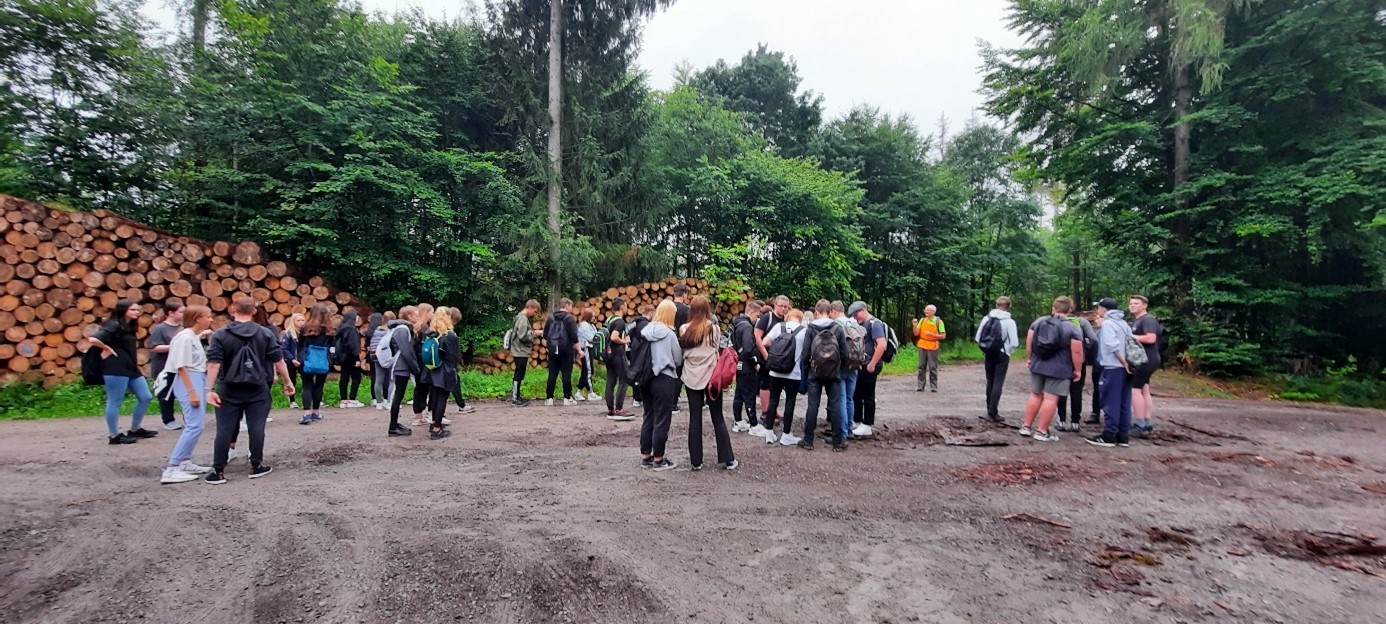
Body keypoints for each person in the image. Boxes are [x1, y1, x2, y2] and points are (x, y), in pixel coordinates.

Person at [204, 298, 294, 484]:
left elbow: (213, 364)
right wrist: (288, 381)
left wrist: (208, 389)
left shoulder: (220, 334)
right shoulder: (265, 333)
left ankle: (218, 471)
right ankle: (255, 466)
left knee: (224, 429)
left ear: (232, 310)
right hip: (257, 387)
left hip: (228, 388)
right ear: (254, 311)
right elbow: (278, 360)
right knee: (256, 427)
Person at [679, 296, 738, 470]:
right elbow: (716, 349)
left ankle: (696, 461)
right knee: (717, 417)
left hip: (691, 375)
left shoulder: (683, 329)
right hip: (712, 376)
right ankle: (728, 459)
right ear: (707, 310)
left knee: (694, 418)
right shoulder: (714, 329)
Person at [158, 305, 215, 484]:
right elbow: (181, 366)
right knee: (194, 425)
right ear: (198, 318)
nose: (211, 319)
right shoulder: (184, 337)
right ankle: (172, 468)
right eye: (208, 316)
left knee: (197, 424)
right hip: (188, 379)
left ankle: (184, 461)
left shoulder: (190, 336)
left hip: (195, 377)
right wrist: (192, 392)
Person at [88, 299, 158, 445]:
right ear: (123, 310)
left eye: (138, 310)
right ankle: (114, 436)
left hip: (130, 367)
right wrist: (106, 348)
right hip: (115, 367)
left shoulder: (129, 325)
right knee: (115, 401)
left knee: (145, 396)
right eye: (133, 310)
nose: (137, 313)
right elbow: (93, 339)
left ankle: (135, 429)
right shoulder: (114, 324)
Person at [1019, 297, 1085, 442]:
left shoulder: (1038, 322)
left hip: (1038, 364)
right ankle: (1041, 431)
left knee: (1035, 394)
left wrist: (1030, 358)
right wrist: (1078, 370)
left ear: (1053, 308)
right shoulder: (1072, 327)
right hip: (1059, 368)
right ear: (1069, 311)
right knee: (1051, 397)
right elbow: (1077, 351)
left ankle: (1026, 427)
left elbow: (1030, 340)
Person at [639, 300, 683, 471]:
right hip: (664, 377)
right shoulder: (669, 334)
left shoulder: (644, 330)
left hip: (645, 378)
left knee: (648, 415)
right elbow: (678, 359)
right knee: (662, 418)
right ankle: (659, 458)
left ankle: (645, 456)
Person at [800, 300, 849, 452]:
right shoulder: (838, 328)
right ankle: (838, 442)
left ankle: (808, 441)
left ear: (816, 311)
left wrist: (808, 369)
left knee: (813, 405)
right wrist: (839, 367)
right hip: (834, 372)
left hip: (814, 373)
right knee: (835, 406)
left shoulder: (810, 328)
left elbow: (805, 354)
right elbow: (845, 353)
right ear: (829, 311)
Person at [1089, 298, 1135, 448]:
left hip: (1113, 367)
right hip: (1126, 368)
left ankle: (1108, 434)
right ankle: (1123, 435)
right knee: (1124, 402)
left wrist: (1123, 362)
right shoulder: (1124, 324)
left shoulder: (1108, 324)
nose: (1098, 311)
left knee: (1110, 401)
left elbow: (1112, 345)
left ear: (1103, 309)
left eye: (1099, 308)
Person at [761, 308, 808, 446]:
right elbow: (807, 352)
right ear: (800, 318)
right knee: (790, 402)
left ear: (788, 316)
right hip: (793, 373)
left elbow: (765, 343)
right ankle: (786, 435)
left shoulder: (778, 326)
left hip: (775, 371)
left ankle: (769, 433)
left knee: (773, 400)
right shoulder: (803, 331)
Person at [975, 296, 1020, 423]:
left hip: (989, 353)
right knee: (998, 382)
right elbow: (1014, 342)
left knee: (990, 381)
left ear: (996, 305)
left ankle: (989, 408)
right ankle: (993, 412)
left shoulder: (986, 318)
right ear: (1009, 306)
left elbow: (978, 338)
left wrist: (987, 348)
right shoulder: (1010, 322)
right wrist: (1007, 351)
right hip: (1002, 354)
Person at [848, 301, 887, 438]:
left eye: (856, 313)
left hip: (870, 365)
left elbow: (882, 344)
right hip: (861, 364)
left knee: (868, 395)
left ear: (864, 310)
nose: (855, 317)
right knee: (857, 393)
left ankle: (867, 424)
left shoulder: (874, 324)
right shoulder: (861, 324)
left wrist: (872, 364)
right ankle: (857, 420)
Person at [1056, 310, 1098, 432]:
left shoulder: (1057, 322)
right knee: (1076, 391)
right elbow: (1094, 339)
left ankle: (1061, 420)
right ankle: (1075, 422)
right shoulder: (1082, 322)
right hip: (1079, 360)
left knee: (1061, 391)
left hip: (1061, 361)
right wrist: (1086, 352)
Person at [146, 300, 185, 430]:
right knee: (166, 394)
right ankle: (168, 420)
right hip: (164, 366)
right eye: (181, 312)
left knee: (184, 393)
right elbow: (153, 347)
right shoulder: (160, 328)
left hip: (180, 366)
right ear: (171, 313)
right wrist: (174, 346)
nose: (184, 314)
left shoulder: (183, 328)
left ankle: (189, 418)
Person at [1128, 295, 1164, 436]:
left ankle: (1140, 424)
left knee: (1134, 390)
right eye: (1131, 303)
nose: (1132, 306)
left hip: (1145, 360)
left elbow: (1151, 338)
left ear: (1144, 305)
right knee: (1144, 389)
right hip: (1146, 359)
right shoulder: (1137, 320)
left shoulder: (1148, 319)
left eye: (1136, 303)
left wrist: (1130, 337)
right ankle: (1146, 422)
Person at [424, 307, 459, 440]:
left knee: (435, 397)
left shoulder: (431, 333)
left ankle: (434, 424)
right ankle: (437, 429)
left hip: (432, 369)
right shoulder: (449, 335)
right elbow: (455, 355)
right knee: (441, 399)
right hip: (446, 370)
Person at [754, 296, 790, 426]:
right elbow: (757, 336)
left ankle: (772, 411)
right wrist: (765, 355)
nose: (783, 309)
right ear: (775, 305)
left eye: (786, 307)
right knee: (765, 384)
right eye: (781, 306)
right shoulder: (767, 318)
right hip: (767, 357)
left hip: (780, 358)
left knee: (776, 385)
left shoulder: (786, 320)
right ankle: (765, 413)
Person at [296, 304, 335, 425]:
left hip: (307, 359)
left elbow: (300, 344)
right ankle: (315, 412)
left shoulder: (305, 328)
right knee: (319, 385)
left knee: (307, 386)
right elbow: (332, 346)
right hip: (323, 359)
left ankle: (306, 413)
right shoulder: (330, 329)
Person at [385, 306, 420, 436]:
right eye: (416, 314)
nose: (418, 317)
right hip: (401, 367)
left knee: (399, 396)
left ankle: (394, 424)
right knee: (397, 397)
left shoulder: (404, 329)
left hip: (403, 366)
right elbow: (406, 351)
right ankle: (393, 426)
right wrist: (415, 368)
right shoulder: (402, 330)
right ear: (409, 317)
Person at [829, 301, 859, 444]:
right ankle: (850, 428)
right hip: (854, 364)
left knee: (840, 399)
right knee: (849, 398)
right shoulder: (854, 323)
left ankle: (842, 433)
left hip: (841, 365)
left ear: (834, 311)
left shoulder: (836, 325)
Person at [730, 301, 762, 434]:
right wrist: (755, 363)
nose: (758, 319)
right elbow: (748, 348)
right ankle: (754, 425)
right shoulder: (748, 327)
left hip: (739, 364)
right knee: (749, 395)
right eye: (757, 315)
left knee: (739, 394)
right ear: (751, 312)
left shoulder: (736, 325)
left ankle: (738, 421)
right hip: (748, 366)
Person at [544, 298, 580, 406]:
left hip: (553, 349)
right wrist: (579, 350)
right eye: (571, 306)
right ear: (567, 305)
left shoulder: (550, 318)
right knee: (566, 373)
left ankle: (549, 398)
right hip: (566, 350)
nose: (571, 308)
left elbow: (545, 334)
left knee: (552, 373)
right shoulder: (570, 319)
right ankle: (567, 398)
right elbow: (574, 337)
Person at [508, 300, 542, 406]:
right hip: (520, 351)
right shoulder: (522, 318)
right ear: (530, 307)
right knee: (518, 374)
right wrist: (534, 333)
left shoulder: (520, 317)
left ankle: (517, 396)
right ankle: (515, 398)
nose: (534, 314)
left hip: (520, 350)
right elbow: (522, 336)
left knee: (520, 374)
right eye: (535, 311)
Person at [603, 298, 632, 420]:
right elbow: (614, 337)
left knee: (610, 381)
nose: (626, 308)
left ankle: (610, 409)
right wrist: (624, 341)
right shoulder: (620, 321)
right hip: (618, 354)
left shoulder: (608, 319)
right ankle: (619, 408)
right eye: (625, 305)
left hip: (608, 354)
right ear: (621, 307)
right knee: (624, 380)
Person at [410, 304, 437, 427]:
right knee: (430, 387)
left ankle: (418, 415)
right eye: (432, 312)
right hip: (425, 362)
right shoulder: (425, 328)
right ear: (426, 312)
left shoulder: (415, 327)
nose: (433, 314)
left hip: (417, 363)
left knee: (419, 388)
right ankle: (431, 414)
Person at [445, 307, 475, 415]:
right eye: (454, 322)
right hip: (449, 364)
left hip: (447, 364)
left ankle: (461, 404)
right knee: (452, 382)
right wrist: (458, 357)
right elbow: (453, 350)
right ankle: (461, 405)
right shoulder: (449, 332)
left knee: (453, 382)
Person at [911, 305, 947, 393]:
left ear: (933, 312)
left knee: (932, 367)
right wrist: (915, 325)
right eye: (926, 310)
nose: (926, 311)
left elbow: (943, 336)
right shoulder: (922, 320)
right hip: (922, 345)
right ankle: (920, 386)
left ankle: (933, 386)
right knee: (921, 366)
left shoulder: (939, 322)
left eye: (929, 310)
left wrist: (933, 335)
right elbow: (916, 334)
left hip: (933, 346)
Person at [626, 304, 655, 409]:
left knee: (635, 372)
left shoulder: (633, 322)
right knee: (643, 373)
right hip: (643, 352)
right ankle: (640, 397)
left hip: (633, 351)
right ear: (650, 313)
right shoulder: (646, 324)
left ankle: (636, 398)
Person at [334, 308, 364, 408]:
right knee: (356, 377)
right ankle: (352, 399)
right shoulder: (351, 329)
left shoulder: (341, 327)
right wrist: (356, 359)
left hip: (342, 356)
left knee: (344, 377)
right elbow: (353, 345)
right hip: (350, 356)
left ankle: (343, 400)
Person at [366, 311, 391, 409]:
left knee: (378, 379)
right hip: (386, 357)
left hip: (375, 356)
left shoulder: (374, 331)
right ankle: (387, 399)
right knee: (388, 379)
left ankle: (378, 401)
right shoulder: (388, 332)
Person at [280, 313, 304, 410]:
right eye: (298, 320)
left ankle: (310, 399)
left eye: (302, 320)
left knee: (307, 380)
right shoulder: (288, 334)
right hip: (291, 361)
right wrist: (292, 359)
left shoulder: (306, 333)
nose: (301, 322)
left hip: (303, 360)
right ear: (293, 322)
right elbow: (284, 349)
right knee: (292, 380)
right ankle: (292, 400)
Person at [575, 308, 599, 402]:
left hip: (590, 348)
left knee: (585, 371)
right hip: (586, 348)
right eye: (592, 316)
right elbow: (591, 337)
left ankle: (578, 392)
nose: (594, 318)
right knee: (588, 370)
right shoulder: (584, 325)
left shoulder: (591, 325)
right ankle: (590, 392)